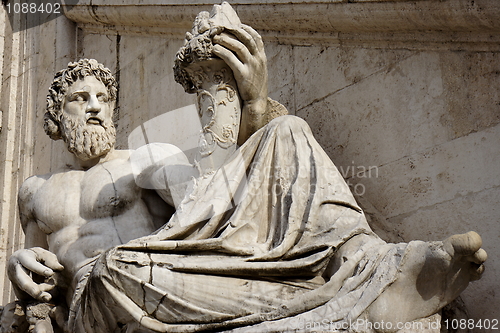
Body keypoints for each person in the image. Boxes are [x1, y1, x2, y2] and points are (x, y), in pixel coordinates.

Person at [7, 3, 486, 333]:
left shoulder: (141, 160)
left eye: (103, 99)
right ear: (55, 117)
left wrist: (253, 103)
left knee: (287, 130)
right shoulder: (35, 190)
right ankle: (343, 298)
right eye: (78, 99)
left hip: (154, 271)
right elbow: (37, 278)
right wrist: (19, 265)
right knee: (114, 268)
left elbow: (214, 191)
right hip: (97, 298)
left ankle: (368, 269)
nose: (94, 107)